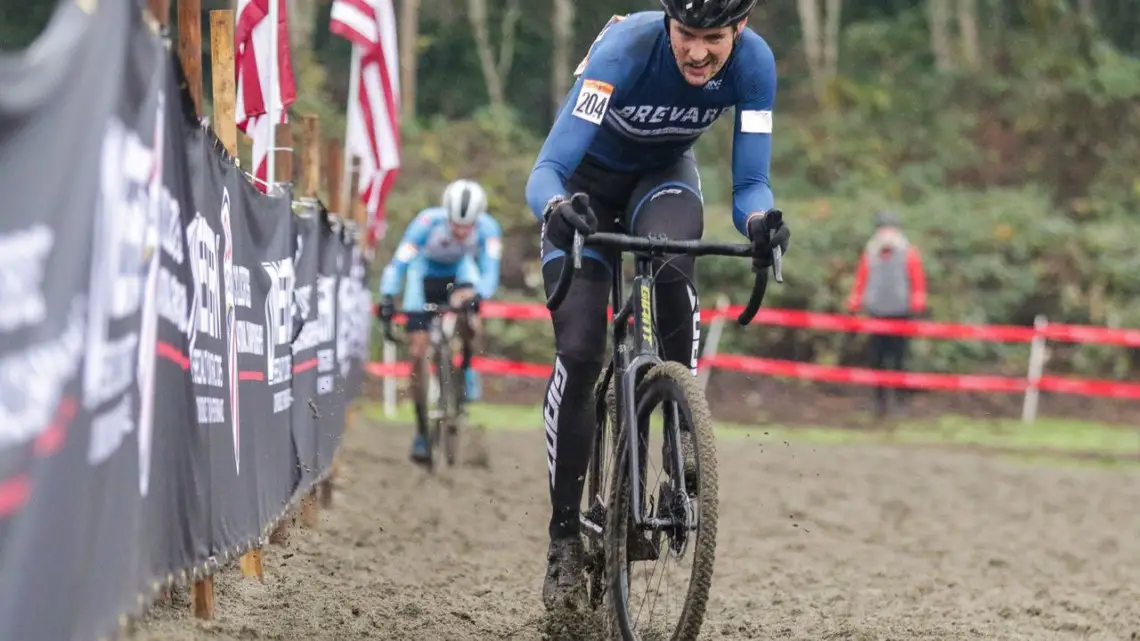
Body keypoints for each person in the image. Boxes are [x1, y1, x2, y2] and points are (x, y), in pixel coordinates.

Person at [524, 0, 791, 612]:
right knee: (581, 351)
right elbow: (549, 167)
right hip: (584, 190)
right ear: (668, 25)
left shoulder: (754, 65)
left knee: (673, 257)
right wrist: (556, 209)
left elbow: (750, 184)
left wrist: (758, 222)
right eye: (687, 36)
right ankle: (564, 539)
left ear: (740, 31)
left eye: (713, 39)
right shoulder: (625, 49)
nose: (698, 52)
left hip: (664, 178)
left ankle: (680, 417)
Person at [376, 179, 502, 465]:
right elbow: (399, 263)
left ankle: (467, 370)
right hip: (424, 277)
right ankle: (421, 432)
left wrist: (479, 295)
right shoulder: (425, 222)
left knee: (471, 313)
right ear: (446, 213)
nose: (459, 231)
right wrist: (387, 296)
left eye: (466, 226)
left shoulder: (489, 228)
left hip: (460, 273)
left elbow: (489, 271)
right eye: (455, 224)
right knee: (418, 351)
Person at [846, 210, 927, 418]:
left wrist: (918, 300)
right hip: (876, 311)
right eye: (883, 228)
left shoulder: (908, 252)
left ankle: (900, 401)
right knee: (877, 358)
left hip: (901, 312)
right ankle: (879, 402)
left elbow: (916, 278)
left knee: (899, 358)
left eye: (889, 228)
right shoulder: (870, 252)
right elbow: (862, 278)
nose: (886, 233)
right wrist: (855, 299)